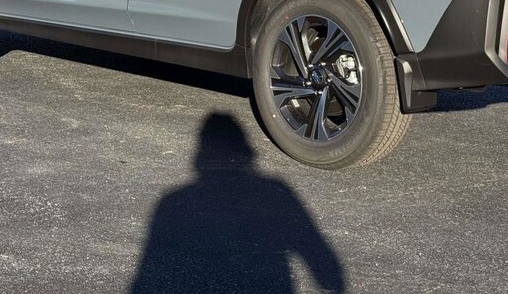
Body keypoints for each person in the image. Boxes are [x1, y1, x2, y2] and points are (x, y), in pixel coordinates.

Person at [130, 113, 346, 294]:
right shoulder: (276, 191)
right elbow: (313, 245)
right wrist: (330, 280)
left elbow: (149, 266)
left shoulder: (173, 200)